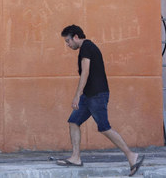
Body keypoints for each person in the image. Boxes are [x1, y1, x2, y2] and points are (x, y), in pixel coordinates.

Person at [57, 24, 145, 177]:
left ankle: (132, 156)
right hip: (89, 95)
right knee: (73, 121)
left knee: (104, 127)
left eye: (68, 41)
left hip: (96, 95)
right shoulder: (87, 47)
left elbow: (85, 72)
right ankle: (76, 157)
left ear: (76, 37)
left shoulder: (86, 47)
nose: (68, 44)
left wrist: (77, 95)